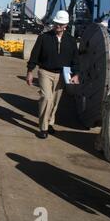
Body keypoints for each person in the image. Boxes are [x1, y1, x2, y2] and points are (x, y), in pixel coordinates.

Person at [26, 10, 80, 139]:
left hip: (62, 74)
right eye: (56, 23)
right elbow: (34, 55)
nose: (58, 26)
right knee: (46, 98)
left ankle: (49, 122)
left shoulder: (71, 41)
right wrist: (30, 71)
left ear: (66, 25)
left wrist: (76, 74)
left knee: (55, 101)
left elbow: (75, 59)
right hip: (45, 72)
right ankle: (43, 128)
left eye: (61, 24)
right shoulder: (44, 38)